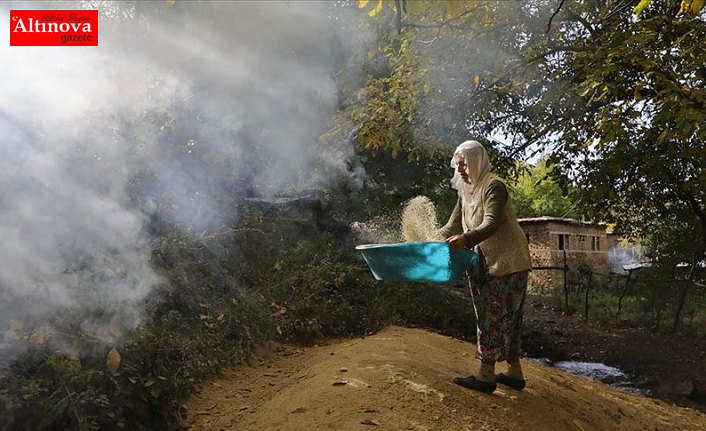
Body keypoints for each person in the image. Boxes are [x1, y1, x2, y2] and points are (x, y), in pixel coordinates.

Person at [438, 140, 532, 394]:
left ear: (477, 163)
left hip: (509, 262)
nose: (461, 171)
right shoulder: (465, 191)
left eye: (465, 165)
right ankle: (514, 373)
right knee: (504, 317)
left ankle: (486, 376)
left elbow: (490, 223)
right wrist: (427, 240)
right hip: (486, 263)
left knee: (492, 317)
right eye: (458, 166)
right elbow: (452, 227)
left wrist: (466, 239)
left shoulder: (493, 186)